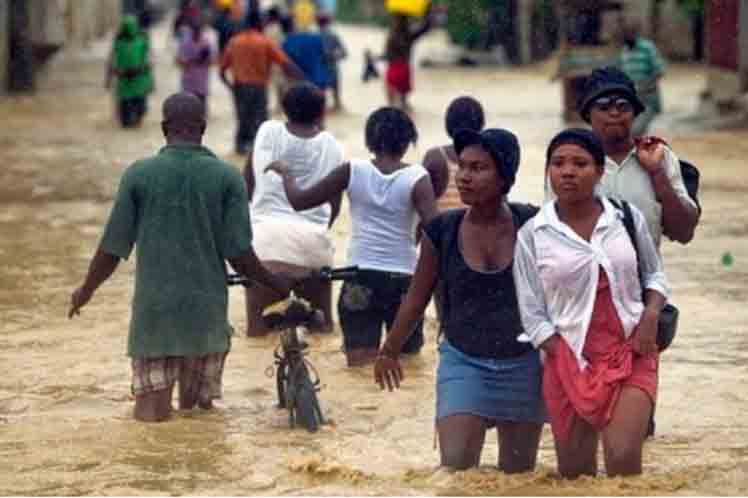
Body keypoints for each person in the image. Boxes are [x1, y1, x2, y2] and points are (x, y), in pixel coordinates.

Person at [68, 93, 293, 422]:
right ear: (202, 128)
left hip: (153, 319)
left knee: (151, 420)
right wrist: (276, 284)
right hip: (205, 319)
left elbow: (112, 249)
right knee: (197, 422)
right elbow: (240, 254)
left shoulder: (138, 175)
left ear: (164, 129)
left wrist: (85, 290)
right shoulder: (227, 177)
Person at [374, 128, 544, 471]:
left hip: (524, 364)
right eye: (462, 167)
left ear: (505, 177)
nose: (464, 177)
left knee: (518, 479)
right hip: (464, 362)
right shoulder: (442, 230)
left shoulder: (533, 225)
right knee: (456, 472)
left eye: (478, 168)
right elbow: (416, 298)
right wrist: (389, 350)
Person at [516, 128, 669, 478]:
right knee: (575, 475)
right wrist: (563, 356)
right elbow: (533, 315)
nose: (568, 171)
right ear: (548, 172)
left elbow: (656, 276)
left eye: (580, 163)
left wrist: (651, 313)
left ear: (600, 172)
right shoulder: (533, 234)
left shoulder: (626, 218)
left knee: (623, 457)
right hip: (567, 358)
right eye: (558, 163)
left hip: (631, 350)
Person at [265, 107, 438, 366]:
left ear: (370, 140)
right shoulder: (418, 178)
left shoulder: (352, 170)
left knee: (359, 369)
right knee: (407, 368)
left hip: (359, 280)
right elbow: (436, 232)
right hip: (404, 283)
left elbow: (300, 201)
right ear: (407, 142)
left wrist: (287, 174)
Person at [243, 82, 344, 336]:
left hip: (265, 243)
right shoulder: (332, 145)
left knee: (256, 333)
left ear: (284, 109)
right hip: (312, 243)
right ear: (322, 113)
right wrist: (317, 232)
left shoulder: (267, 131)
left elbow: (246, 185)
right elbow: (335, 206)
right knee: (324, 330)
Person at [220, 12, 304, 155]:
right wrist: (303, 79)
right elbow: (285, 63)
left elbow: (222, 70)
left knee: (242, 118)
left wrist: (230, 86)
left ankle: (240, 148)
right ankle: (259, 152)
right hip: (259, 87)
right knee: (260, 121)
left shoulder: (234, 42)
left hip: (239, 87)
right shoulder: (264, 42)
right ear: (261, 24)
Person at [422, 96, 486, 210]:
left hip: (442, 227)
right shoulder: (490, 159)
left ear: (448, 123)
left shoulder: (435, 157)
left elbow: (420, 204)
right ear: (480, 124)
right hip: (480, 227)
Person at [619, 20, 667, 136]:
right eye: (624, 33)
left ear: (635, 33)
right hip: (631, 100)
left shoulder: (647, 48)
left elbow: (660, 71)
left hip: (647, 99)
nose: (626, 36)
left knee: (636, 131)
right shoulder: (625, 51)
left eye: (629, 33)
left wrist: (645, 86)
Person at [106, 14, 154, 128]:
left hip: (139, 78)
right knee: (125, 108)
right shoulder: (118, 43)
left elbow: (148, 60)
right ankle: (126, 120)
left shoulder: (142, 40)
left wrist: (149, 80)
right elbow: (111, 61)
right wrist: (109, 77)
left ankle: (137, 119)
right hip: (124, 79)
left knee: (139, 104)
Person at [384, 13, 433, 112]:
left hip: (393, 68)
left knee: (390, 103)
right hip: (404, 69)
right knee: (404, 103)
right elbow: (425, 28)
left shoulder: (392, 35)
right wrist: (427, 15)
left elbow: (387, 55)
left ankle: (390, 116)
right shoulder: (408, 34)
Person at [282, 17, 331, 95]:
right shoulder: (317, 38)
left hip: (298, 84)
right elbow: (326, 58)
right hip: (318, 81)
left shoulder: (287, 41)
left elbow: (286, 65)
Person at [176, 13, 216, 107]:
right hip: (189, 81)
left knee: (201, 104)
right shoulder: (185, 42)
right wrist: (193, 60)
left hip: (201, 80)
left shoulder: (206, 42)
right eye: (195, 28)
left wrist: (205, 59)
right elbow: (178, 60)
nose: (197, 31)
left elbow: (213, 61)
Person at [317, 13, 348, 111]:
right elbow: (344, 53)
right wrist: (334, 56)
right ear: (329, 22)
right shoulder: (333, 36)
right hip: (332, 68)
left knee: (319, 100)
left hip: (318, 69)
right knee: (337, 100)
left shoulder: (313, 36)